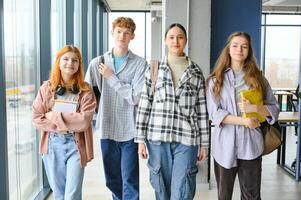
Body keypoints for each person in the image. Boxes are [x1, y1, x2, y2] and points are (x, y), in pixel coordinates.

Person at [135, 23, 209, 200]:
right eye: (172, 37)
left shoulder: (196, 71)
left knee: (183, 190)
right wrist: (140, 140)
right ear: (165, 40)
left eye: (180, 37)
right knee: (161, 189)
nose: (176, 41)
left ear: (186, 40)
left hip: (187, 140)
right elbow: (144, 105)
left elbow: (201, 111)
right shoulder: (153, 69)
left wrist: (204, 144)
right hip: (157, 139)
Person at [206, 32, 280, 200]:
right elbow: (215, 113)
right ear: (228, 49)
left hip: (251, 145)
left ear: (249, 50)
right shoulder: (215, 80)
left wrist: (256, 108)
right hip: (224, 146)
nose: (239, 49)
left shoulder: (259, 78)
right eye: (235, 45)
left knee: (251, 196)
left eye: (244, 46)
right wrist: (245, 121)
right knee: (224, 195)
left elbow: (274, 108)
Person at [85, 17, 147, 200]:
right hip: (107, 128)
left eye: (126, 33)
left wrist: (111, 78)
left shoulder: (139, 64)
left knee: (130, 180)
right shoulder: (97, 63)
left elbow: (135, 97)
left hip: (129, 130)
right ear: (113, 33)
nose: (122, 36)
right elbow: (88, 93)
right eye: (119, 31)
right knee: (112, 180)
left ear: (132, 37)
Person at [32, 45, 97, 200]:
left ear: (79, 65)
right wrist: (69, 121)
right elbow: (36, 118)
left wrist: (52, 116)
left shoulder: (86, 90)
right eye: (66, 59)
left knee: (72, 195)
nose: (70, 63)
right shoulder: (46, 88)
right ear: (58, 62)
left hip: (76, 144)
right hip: (52, 145)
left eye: (75, 60)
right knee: (59, 195)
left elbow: (83, 122)